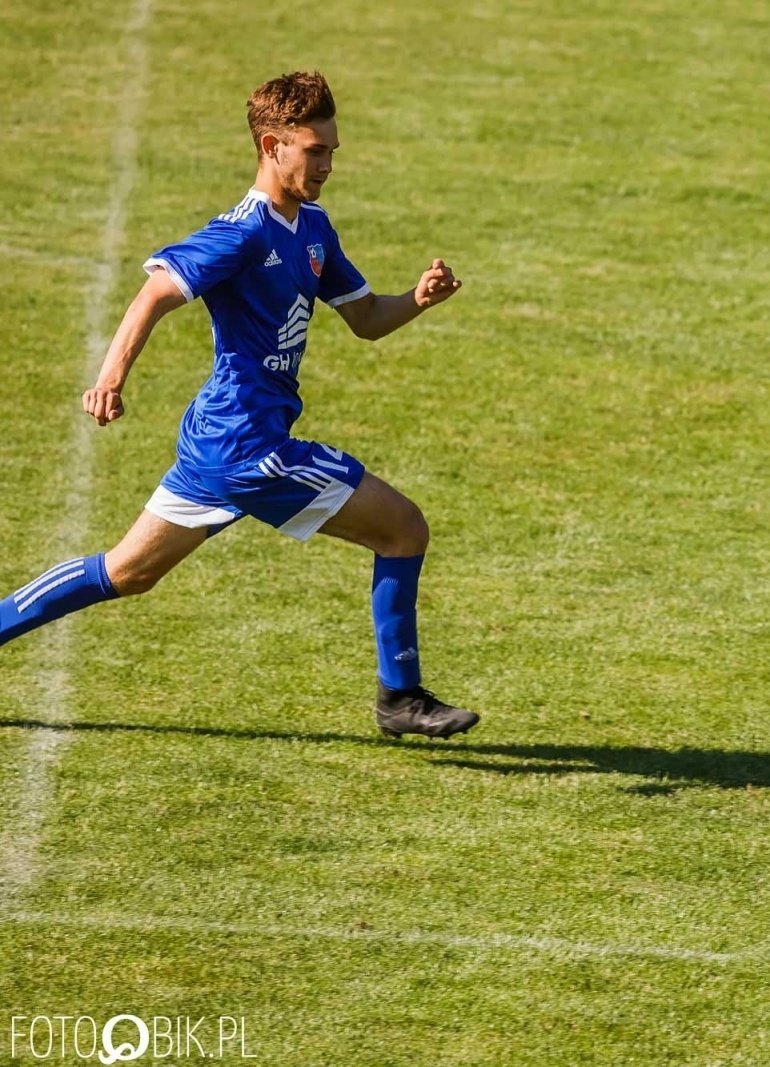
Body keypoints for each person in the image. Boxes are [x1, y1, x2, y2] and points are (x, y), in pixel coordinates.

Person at [0, 71, 477, 740]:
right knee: (402, 528)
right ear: (272, 145)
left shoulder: (311, 228)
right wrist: (110, 378)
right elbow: (156, 294)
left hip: (217, 444)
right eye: (316, 151)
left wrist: (418, 300)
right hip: (251, 450)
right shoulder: (241, 233)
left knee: (125, 571)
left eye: (334, 151)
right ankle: (400, 697)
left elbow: (366, 318)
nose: (328, 165)